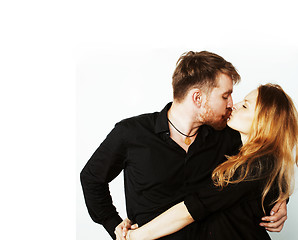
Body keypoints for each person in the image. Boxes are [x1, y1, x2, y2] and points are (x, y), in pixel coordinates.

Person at [80, 51, 287, 240]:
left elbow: (268, 152)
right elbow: (91, 178)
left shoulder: (228, 135)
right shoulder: (131, 133)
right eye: (225, 96)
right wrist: (116, 228)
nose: (231, 103)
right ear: (198, 98)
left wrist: (280, 200)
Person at [123, 84, 298, 240]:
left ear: (264, 122)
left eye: (245, 106)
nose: (233, 106)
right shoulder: (237, 148)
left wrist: (137, 236)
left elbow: (193, 208)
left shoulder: (258, 166)